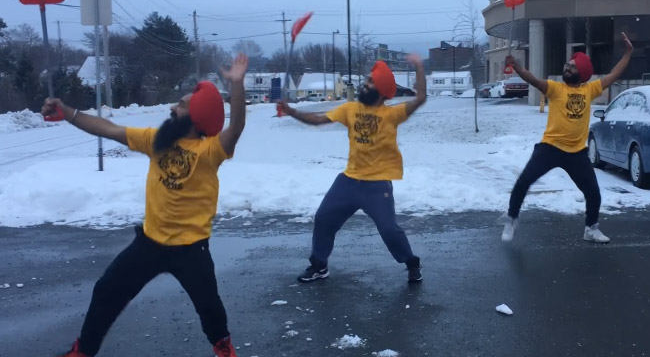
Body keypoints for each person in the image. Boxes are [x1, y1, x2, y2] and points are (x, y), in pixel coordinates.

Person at [48, 54, 249, 357]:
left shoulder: (211, 150)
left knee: (210, 309)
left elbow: (236, 127)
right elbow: (108, 129)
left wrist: (237, 85)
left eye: (180, 104)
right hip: (150, 244)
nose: (171, 107)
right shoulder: (157, 141)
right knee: (106, 291)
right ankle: (82, 351)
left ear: (195, 114)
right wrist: (68, 112)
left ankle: (223, 347)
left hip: (191, 249)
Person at [277, 55, 427, 283]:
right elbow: (318, 119)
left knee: (389, 230)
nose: (364, 85)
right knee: (324, 218)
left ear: (382, 90)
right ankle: (319, 265)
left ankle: (411, 262)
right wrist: (292, 112)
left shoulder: (392, 114)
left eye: (370, 82)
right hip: (348, 181)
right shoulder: (350, 109)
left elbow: (421, 98)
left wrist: (418, 67)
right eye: (366, 81)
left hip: (377, 185)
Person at [499, 33, 634, 243]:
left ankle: (591, 228)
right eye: (566, 65)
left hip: (577, 152)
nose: (566, 68)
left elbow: (614, 75)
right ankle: (512, 218)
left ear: (581, 73)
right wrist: (517, 66)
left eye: (572, 66)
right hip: (550, 147)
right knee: (524, 181)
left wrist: (628, 53)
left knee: (593, 192)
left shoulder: (590, 89)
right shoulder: (555, 88)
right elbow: (532, 79)